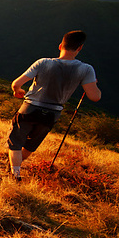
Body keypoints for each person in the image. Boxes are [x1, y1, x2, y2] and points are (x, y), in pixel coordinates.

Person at [7, 30, 102, 180]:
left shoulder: (43, 62)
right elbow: (94, 97)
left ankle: (15, 172)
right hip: (52, 114)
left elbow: (16, 83)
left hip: (30, 107)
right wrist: (93, 84)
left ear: (60, 46)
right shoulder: (86, 69)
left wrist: (17, 90)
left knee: (16, 143)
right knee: (30, 146)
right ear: (80, 48)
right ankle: (15, 168)